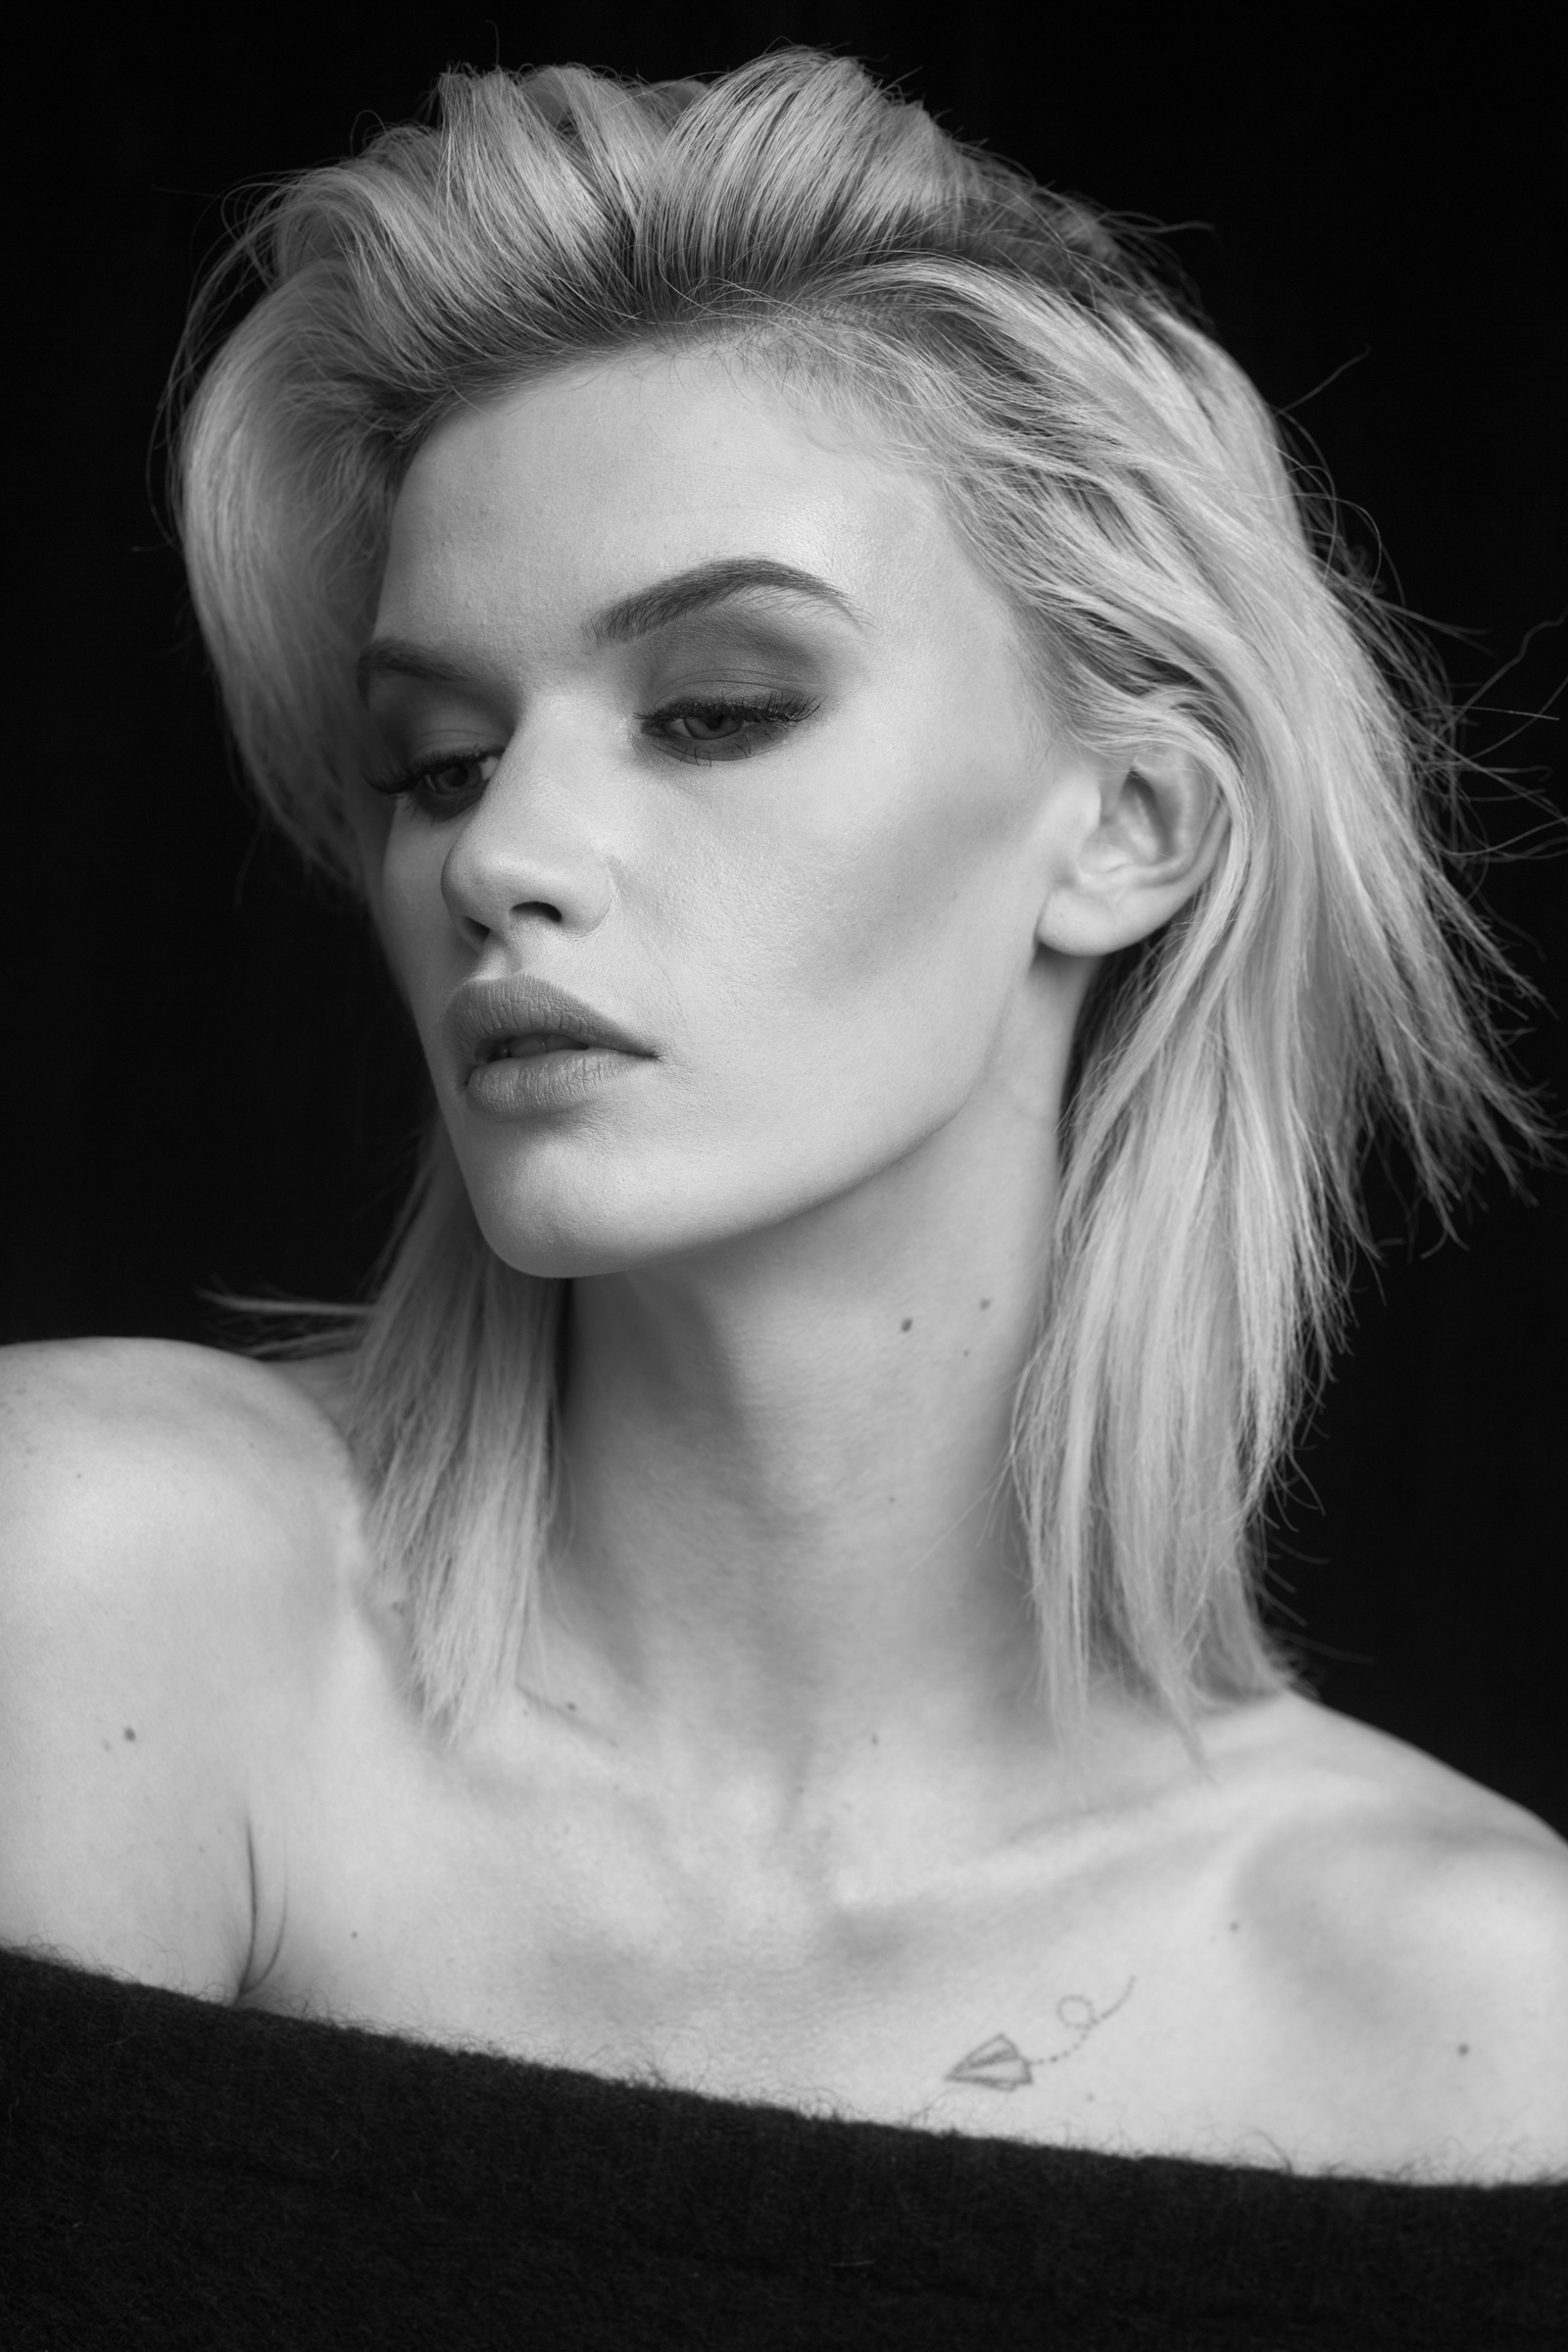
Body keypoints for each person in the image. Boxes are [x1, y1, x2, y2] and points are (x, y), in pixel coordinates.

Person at [2, 46, 1563, 2348]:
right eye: (439, 757)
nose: (504, 856)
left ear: (1129, 824)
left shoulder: (1468, 2022)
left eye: (715, 710)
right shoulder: (102, 1591)